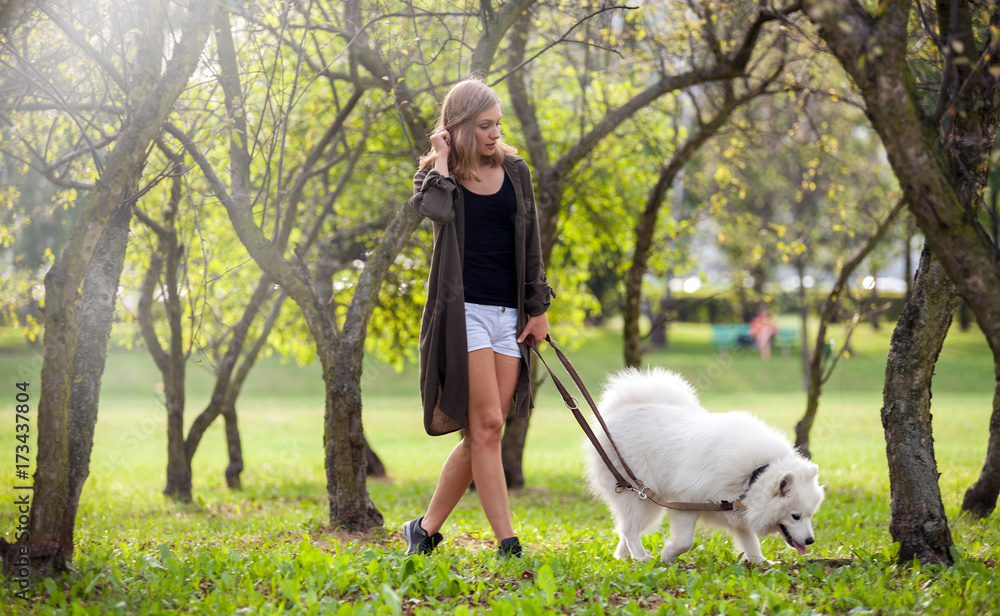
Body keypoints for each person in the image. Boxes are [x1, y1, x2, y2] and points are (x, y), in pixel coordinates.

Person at [404, 77, 553, 558]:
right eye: (484, 126)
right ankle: (508, 544)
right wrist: (443, 159)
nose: (495, 134)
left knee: (486, 431)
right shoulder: (435, 176)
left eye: (498, 125)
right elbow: (436, 211)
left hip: (508, 315)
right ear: (459, 127)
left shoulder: (515, 170)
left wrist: (538, 309)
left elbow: (531, 243)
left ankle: (424, 530)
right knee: (487, 424)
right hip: (461, 312)